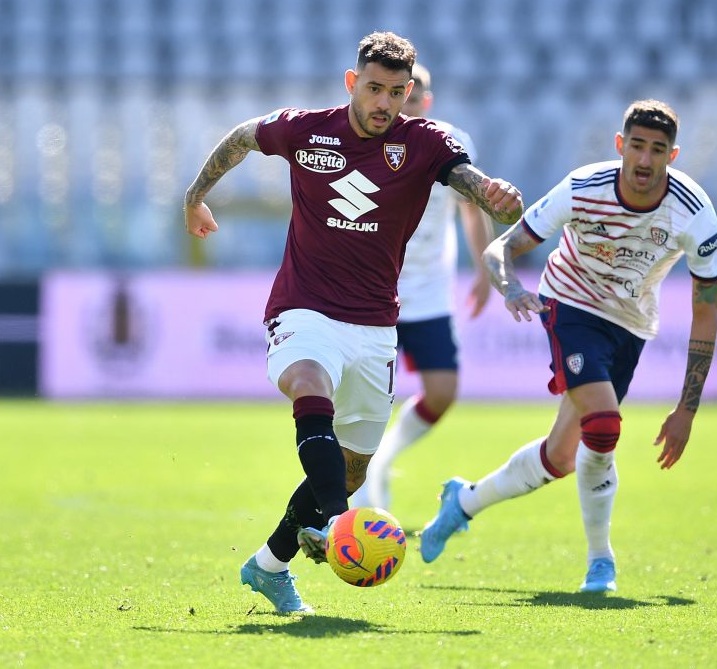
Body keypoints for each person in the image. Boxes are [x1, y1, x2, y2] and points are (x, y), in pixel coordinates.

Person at [182, 32, 523, 614]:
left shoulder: (425, 142)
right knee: (308, 383)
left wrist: (493, 194)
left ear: (409, 91)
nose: (383, 103)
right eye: (373, 89)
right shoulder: (305, 128)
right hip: (303, 305)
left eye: (395, 91)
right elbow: (241, 138)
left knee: (349, 467)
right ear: (350, 83)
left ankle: (269, 565)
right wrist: (195, 195)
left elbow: (468, 180)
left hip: (374, 325)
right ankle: (340, 525)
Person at [419, 99, 717, 594]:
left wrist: (687, 409)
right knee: (602, 426)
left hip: (630, 324)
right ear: (621, 146)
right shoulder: (584, 188)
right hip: (570, 305)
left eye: (659, 150)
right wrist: (511, 287)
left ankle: (464, 501)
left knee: (561, 456)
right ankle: (601, 562)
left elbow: (706, 307)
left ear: (674, 155)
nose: (645, 161)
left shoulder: (693, 212)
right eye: (638, 147)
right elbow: (502, 247)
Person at [351, 63, 493, 511]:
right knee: (365, 395)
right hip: (374, 289)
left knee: (442, 391)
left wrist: (484, 269)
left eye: (409, 98)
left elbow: (473, 208)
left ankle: (383, 460)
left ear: (422, 100)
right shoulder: (366, 143)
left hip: (429, 289)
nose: (400, 108)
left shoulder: (450, 144)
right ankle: (357, 483)